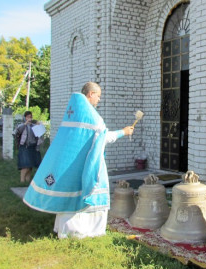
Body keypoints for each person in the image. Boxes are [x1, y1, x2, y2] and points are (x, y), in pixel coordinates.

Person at [22, 82, 134, 238]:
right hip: (85, 165)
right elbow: (103, 138)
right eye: (99, 96)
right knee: (87, 192)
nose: (99, 100)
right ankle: (82, 232)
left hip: (71, 163)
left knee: (70, 196)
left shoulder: (74, 112)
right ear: (90, 94)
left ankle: (66, 231)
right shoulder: (92, 118)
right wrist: (123, 132)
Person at [14, 111, 43, 183]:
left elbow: (40, 136)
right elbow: (16, 132)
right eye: (28, 117)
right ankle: (22, 180)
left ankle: (27, 181)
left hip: (33, 146)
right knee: (25, 165)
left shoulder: (33, 126)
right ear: (24, 117)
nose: (29, 118)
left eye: (30, 117)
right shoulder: (21, 125)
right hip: (25, 146)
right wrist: (25, 123)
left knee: (30, 166)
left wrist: (40, 126)